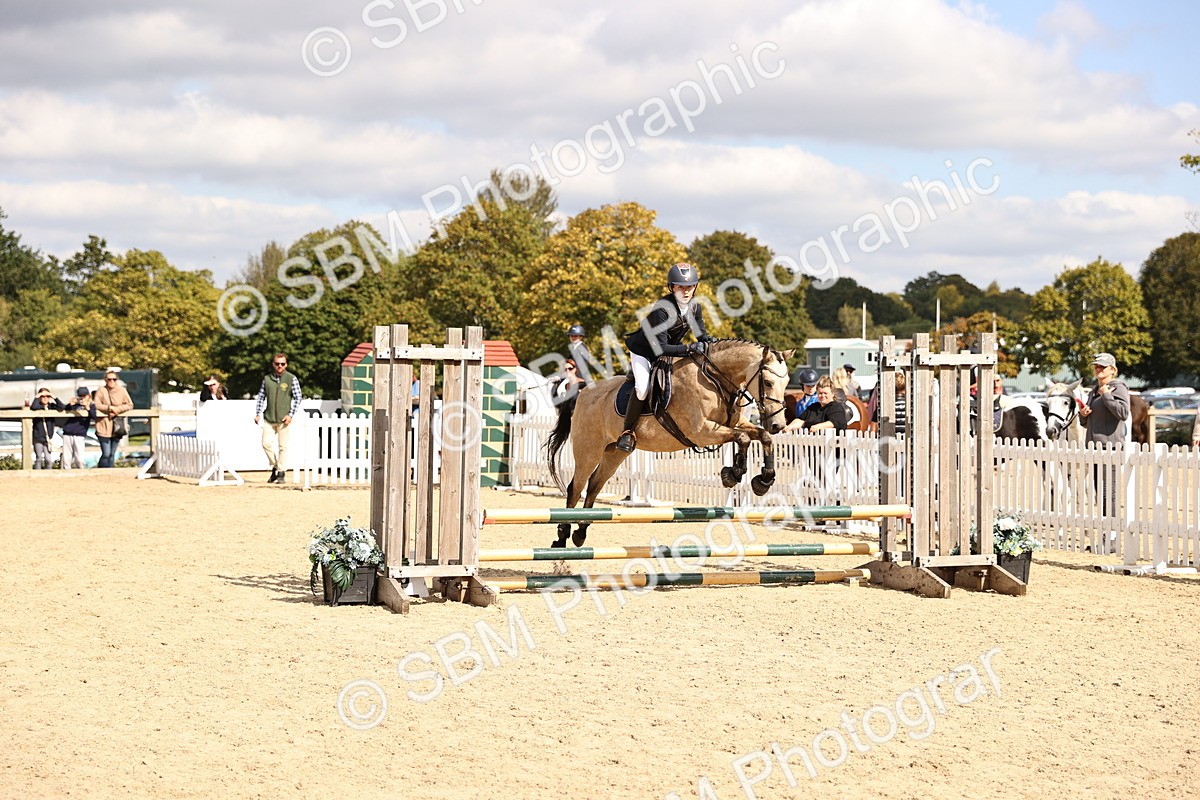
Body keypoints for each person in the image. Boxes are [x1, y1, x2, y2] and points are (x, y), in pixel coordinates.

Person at [617, 262, 714, 452]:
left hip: (670, 349)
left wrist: (713, 343)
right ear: (672, 287)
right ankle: (627, 432)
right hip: (644, 351)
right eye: (681, 286)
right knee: (643, 388)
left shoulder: (695, 307)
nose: (686, 291)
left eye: (690, 286)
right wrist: (690, 348)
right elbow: (660, 348)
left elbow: (701, 335)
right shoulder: (662, 309)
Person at [254, 353, 302, 484]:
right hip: (269, 418)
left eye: (282, 364)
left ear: (286, 365)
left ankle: (281, 472)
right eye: (277, 364)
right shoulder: (267, 379)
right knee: (265, 443)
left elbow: (298, 397)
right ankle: (275, 466)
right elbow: (261, 397)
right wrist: (258, 413)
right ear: (273, 364)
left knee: (283, 447)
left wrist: (290, 414)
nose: (280, 366)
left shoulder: (291, 378)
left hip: (283, 419)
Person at [1079, 353, 1130, 443]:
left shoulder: (1119, 388)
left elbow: (1123, 414)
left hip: (1111, 448)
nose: (1098, 369)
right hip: (1092, 447)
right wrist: (1083, 415)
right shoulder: (1093, 392)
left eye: (1103, 366)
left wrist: (1106, 395)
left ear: (1113, 370)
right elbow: (1087, 424)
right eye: (1096, 366)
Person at [62, 386, 96, 470]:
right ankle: (66, 473)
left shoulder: (92, 405)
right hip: (68, 432)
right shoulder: (75, 405)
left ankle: (81, 471)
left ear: (88, 396)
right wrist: (70, 405)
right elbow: (64, 409)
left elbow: (95, 416)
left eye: (84, 396)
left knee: (79, 458)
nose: (82, 398)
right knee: (66, 457)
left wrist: (87, 407)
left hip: (79, 433)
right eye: (80, 396)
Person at [30, 386, 63, 469]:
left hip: (48, 438)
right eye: (43, 396)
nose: (45, 398)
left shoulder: (52, 407)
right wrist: (37, 396)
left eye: (47, 396)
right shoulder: (37, 407)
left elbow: (62, 407)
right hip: (38, 437)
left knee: (48, 459)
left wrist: (53, 396)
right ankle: (37, 476)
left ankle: (48, 475)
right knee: (39, 458)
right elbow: (33, 407)